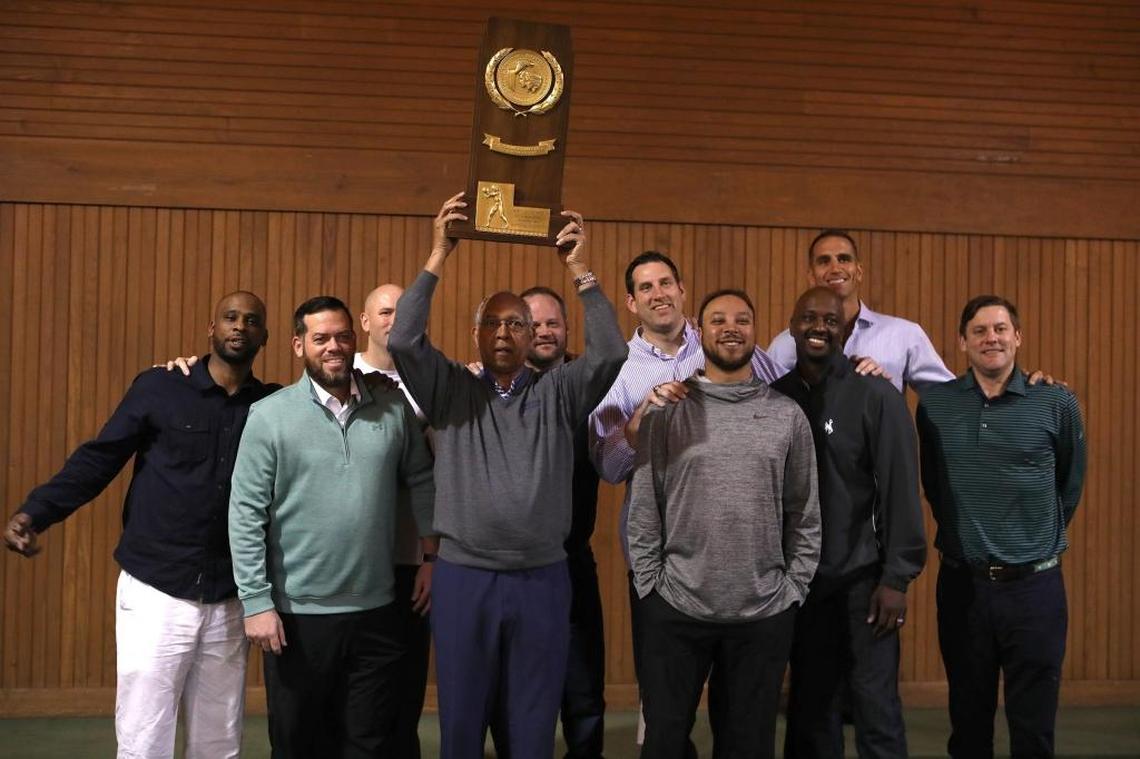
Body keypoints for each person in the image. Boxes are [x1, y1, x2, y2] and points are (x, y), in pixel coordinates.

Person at [387, 193, 627, 758]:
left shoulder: (559, 393)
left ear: (532, 337)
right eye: (491, 323)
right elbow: (401, 340)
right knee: (462, 726)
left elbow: (613, 353)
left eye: (515, 324)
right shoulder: (450, 390)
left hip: (542, 579)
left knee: (531, 725)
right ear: (476, 334)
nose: (502, 333)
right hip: (464, 578)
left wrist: (580, 269)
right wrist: (438, 254)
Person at [3, 292, 274, 759]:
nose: (239, 327)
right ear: (211, 329)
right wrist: (35, 512)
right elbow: (100, 458)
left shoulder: (273, 407)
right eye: (230, 317)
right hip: (156, 591)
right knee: (144, 737)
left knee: (219, 741)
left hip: (231, 596)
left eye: (251, 321)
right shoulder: (160, 387)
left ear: (264, 338)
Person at [229, 295, 436, 758]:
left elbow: (422, 480)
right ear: (298, 345)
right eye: (320, 338)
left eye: (343, 336)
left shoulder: (391, 408)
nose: (334, 346)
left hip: (377, 611)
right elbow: (245, 512)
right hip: (298, 616)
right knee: (300, 743)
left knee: (368, 742)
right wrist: (256, 601)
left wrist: (430, 557)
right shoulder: (269, 416)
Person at [628, 288, 821, 759]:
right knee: (664, 742)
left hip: (762, 613)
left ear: (755, 332)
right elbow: (644, 506)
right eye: (718, 320)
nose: (731, 328)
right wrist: (650, 584)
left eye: (741, 319)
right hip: (675, 608)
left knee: (748, 746)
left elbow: (804, 510)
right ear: (700, 329)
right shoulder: (668, 410)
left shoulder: (787, 415)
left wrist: (793, 587)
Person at [916, 295, 1086, 759]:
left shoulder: (1055, 401)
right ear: (962, 342)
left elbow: (1069, 485)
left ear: (1018, 337)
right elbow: (935, 485)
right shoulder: (936, 407)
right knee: (968, 725)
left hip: (1035, 589)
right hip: (963, 586)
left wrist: (1032, 537)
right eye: (979, 331)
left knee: (1033, 727)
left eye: (1000, 329)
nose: (991, 337)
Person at [771, 287, 927, 758]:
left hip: (865, 581)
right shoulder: (775, 400)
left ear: (844, 329)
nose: (819, 327)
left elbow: (900, 488)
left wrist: (897, 576)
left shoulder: (875, 394)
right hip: (801, 585)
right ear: (793, 325)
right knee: (811, 713)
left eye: (830, 320)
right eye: (808, 318)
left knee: (876, 711)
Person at [487, 285, 607, 758]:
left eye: (551, 323)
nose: (542, 331)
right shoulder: (488, 390)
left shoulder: (591, 386)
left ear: (566, 330)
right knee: (510, 693)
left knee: (583, 693)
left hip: (570, 560)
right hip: (507, 567)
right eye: (529, 323)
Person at [356, 283, 433, 758]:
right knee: (361, 697)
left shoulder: (434, 379)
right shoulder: (339, 375)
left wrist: (432, 555)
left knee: (406, 691)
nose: (394, 320)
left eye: (403, 312)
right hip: (356, 562)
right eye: (384, 312)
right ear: (365, 322)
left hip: (412, 558)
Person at [768, 229, 955, 392]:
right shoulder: (783, 345)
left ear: (858, 272)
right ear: (811, 276)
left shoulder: (904, 335)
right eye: (824, 261)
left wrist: (884, 392)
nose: (835, 268)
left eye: (844, 259)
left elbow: (949, 400)